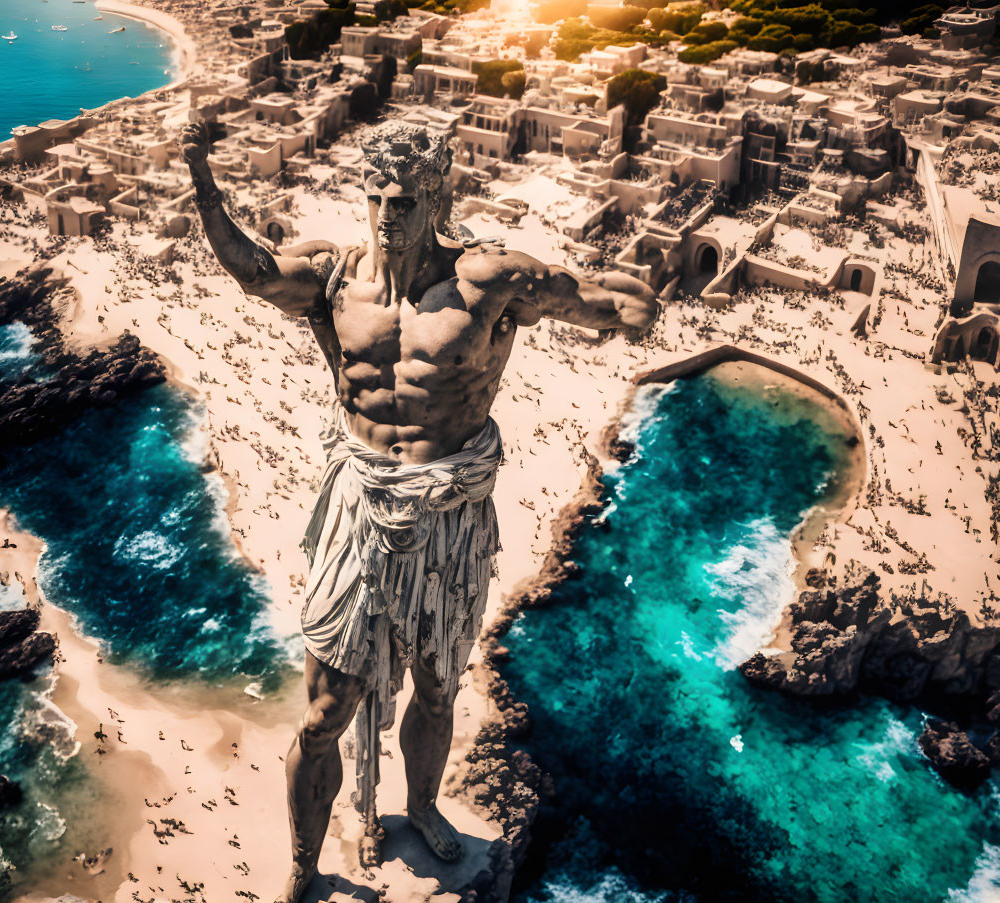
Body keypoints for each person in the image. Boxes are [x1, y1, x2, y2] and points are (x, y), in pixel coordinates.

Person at [181, 119, 659, 903]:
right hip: (362, 512)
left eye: (403, 200)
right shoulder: (333, 276)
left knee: (438, 688)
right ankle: (305, 859)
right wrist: (204, 183)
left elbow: (593, 300)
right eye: (374, 198)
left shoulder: (488, 281)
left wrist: (630, 302)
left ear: (437, 197)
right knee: (322, 716)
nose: (385, 215)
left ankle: (423, 803)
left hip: (450, 520)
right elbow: (256, 272)